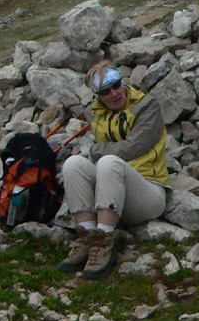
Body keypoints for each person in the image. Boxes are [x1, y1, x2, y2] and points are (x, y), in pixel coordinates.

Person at [57, 63, 170, 280]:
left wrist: (98, 150)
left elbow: (134, 147)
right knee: (73, 164)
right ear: (98, 96)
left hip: (149, 192)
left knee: (109, 162)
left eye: (117, 85)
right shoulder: (95, 114)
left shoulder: (147, 105)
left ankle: (104, 242)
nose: (114, 93)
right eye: (105, 92)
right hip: (113, 194)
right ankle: (88, 236)